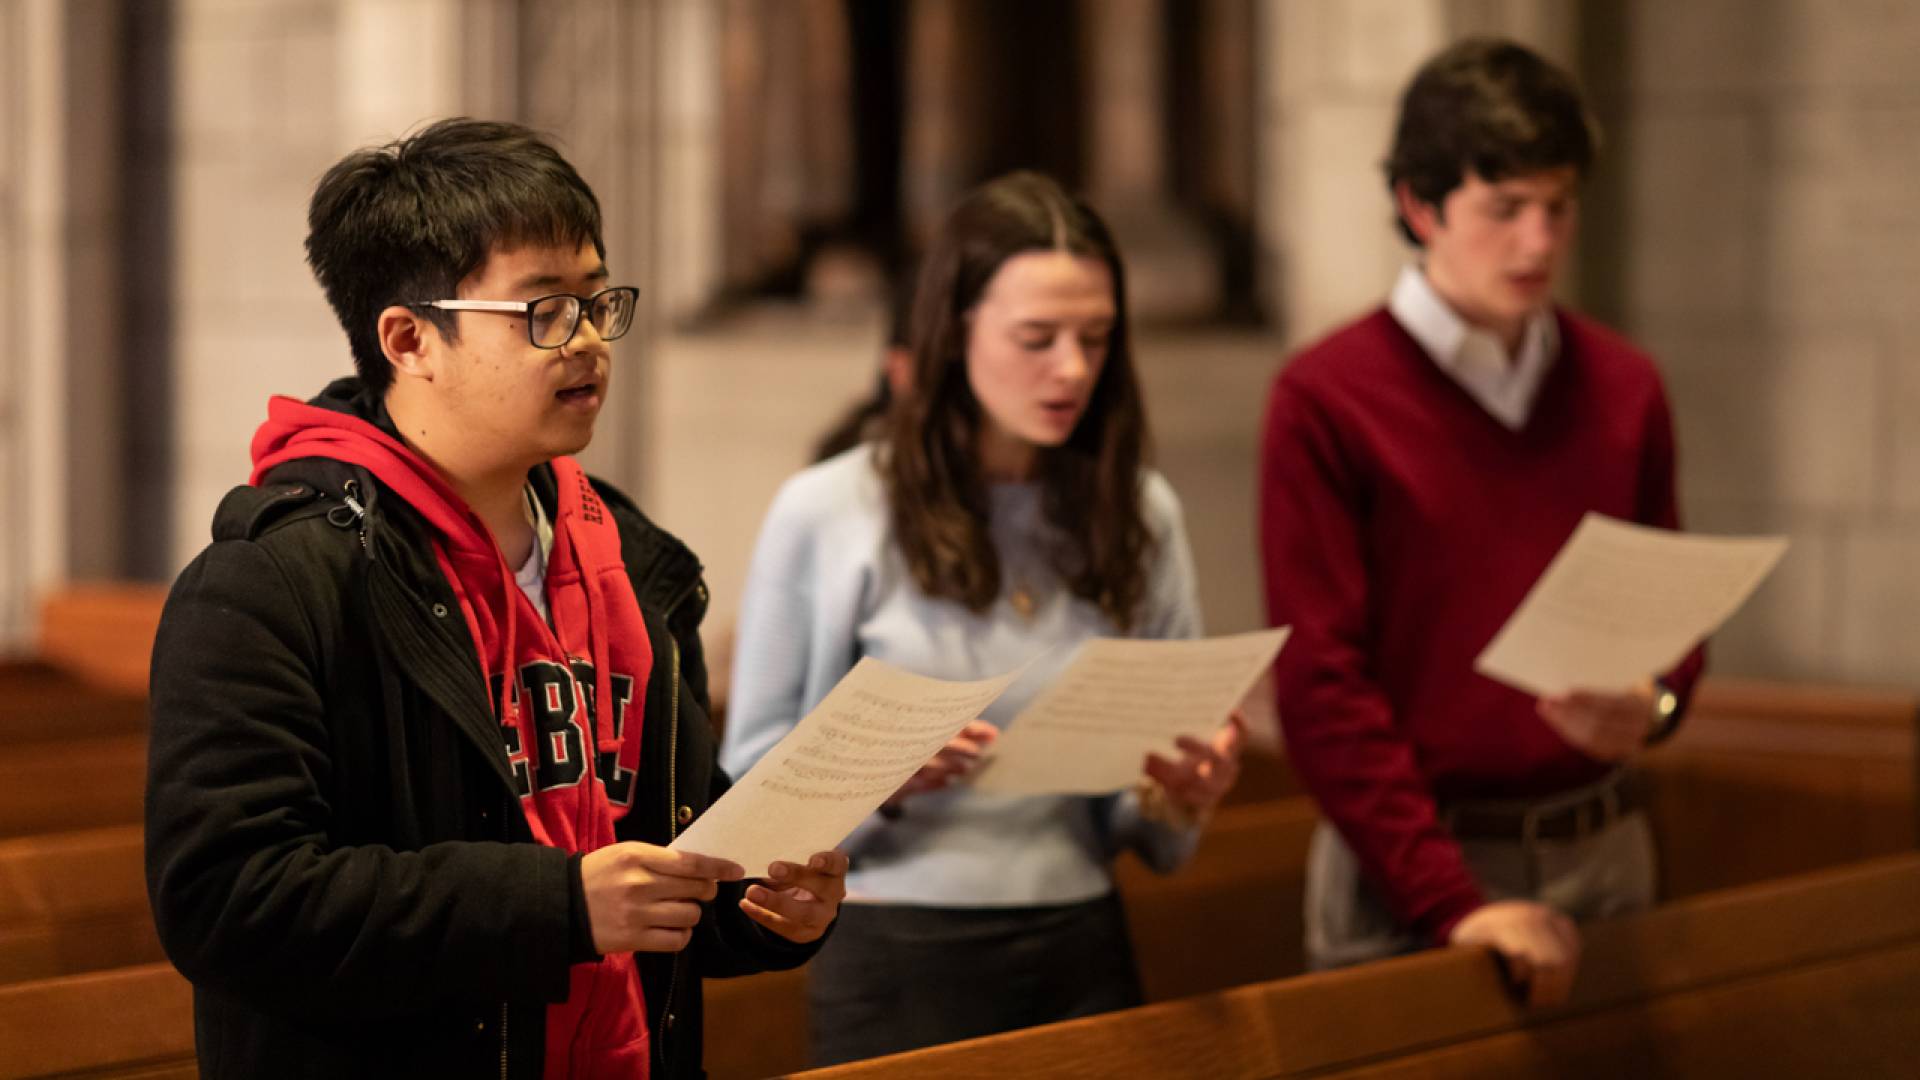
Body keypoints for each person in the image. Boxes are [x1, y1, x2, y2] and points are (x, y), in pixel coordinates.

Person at [144, 118, 846, 1080]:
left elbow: (657, 855)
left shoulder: (630, 561)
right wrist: (558, 906)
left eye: (601, 302)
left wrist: (760, 906)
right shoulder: (271, 583)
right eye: (546, 310)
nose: (591, 340)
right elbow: (228, 901)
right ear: (408, 339)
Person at [722, 171, 1244, 1065]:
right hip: (895, 945)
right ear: (953, 332)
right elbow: (744, 779)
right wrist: (879, 776)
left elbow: (1152, 838)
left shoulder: (1139, 510)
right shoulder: (833, 507)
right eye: (1037, 338)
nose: (1073, 369)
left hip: (1082, 931)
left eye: (1097, 338)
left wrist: (1180, 792)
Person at [1258, 38, 1705, 1007]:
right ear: (1421, 209)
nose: (1540, 242)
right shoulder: (1328, 398)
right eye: (1505, 210)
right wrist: (1449, 901)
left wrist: (1655, 703)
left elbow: (1673, 618)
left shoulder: (1624, 386)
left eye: (1557, 207)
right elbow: (1321, 687)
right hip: (1411, 870)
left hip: (1604, 848)